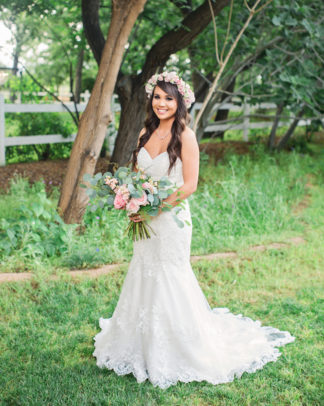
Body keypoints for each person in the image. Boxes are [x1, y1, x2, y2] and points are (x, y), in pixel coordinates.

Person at [93, 71, 295, 389]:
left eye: (168, 98)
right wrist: (131, 200)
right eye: (157, 97)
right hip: (145, 217)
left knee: (170, 277)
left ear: (180, 103)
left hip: (172, 220)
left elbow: (190, 185)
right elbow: (134, 171)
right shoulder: (145, 131)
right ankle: (138, 344)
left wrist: (154, 208)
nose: (161, 103)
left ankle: (178, 349)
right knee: (144, 272)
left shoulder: (185, 136)